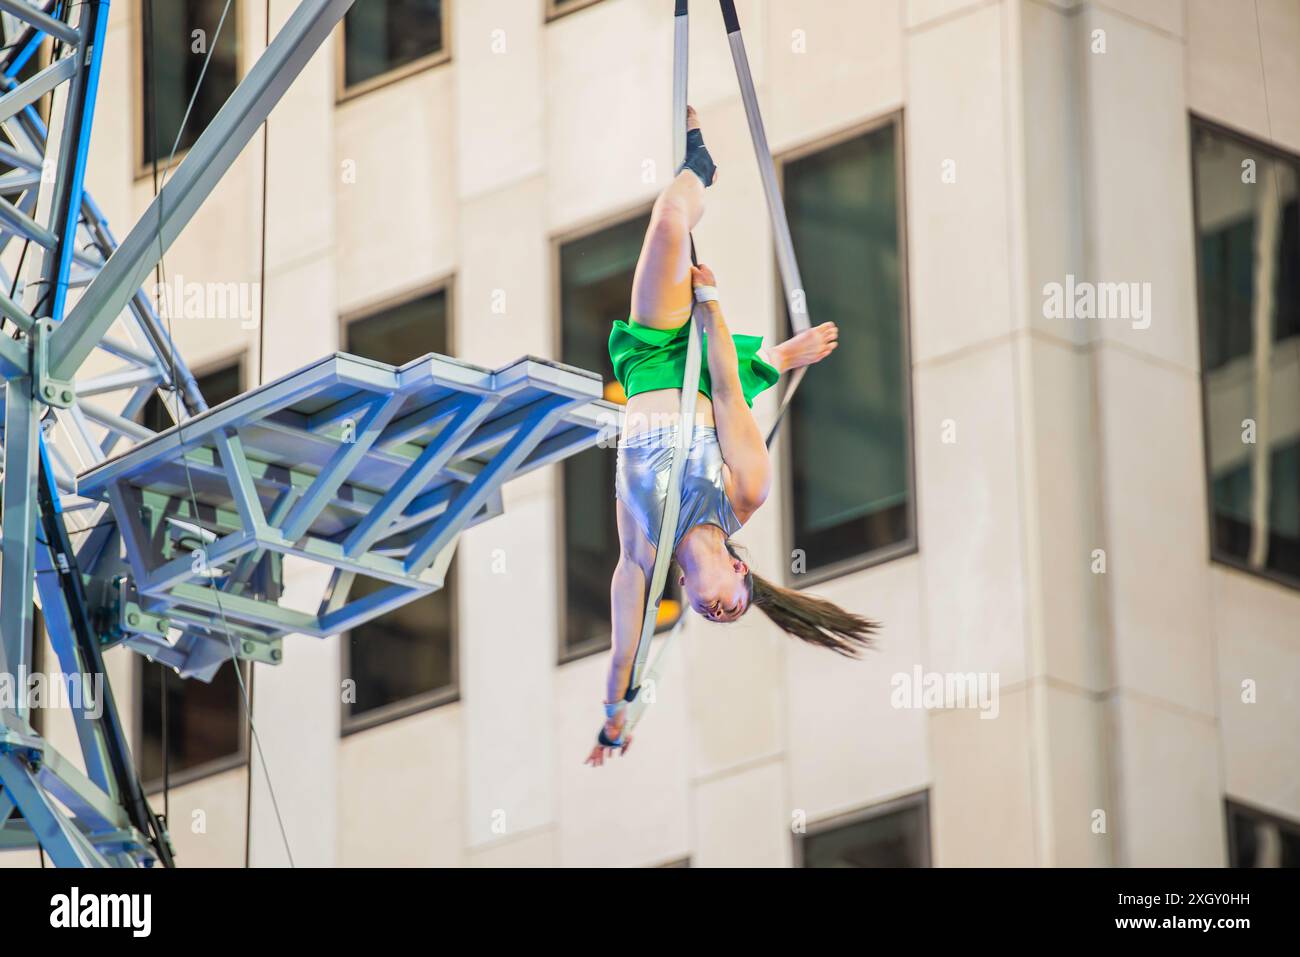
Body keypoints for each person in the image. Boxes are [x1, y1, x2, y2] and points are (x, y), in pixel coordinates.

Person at [586, 108, 878, 767]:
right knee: (672, 218)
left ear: (687, 596)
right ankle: (700, 167)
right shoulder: (743, 491)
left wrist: (613, 717)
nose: (719, 610)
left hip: (647, 360)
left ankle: (696, 174)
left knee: (662, 225)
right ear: (740, 569)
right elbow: (725, 392)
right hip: (693, 355)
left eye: (712, 614)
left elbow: (622, 651)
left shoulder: (643, 558)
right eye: (733, 605)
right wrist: (711, 303)